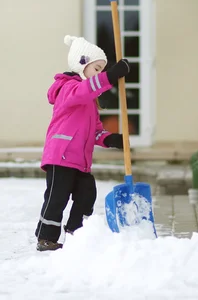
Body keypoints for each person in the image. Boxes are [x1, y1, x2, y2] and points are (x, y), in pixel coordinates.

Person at [34, 35, 130, 251]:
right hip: (61, 155)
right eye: (96, 69)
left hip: (80, 160)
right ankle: (46, 237)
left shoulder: (89, 102)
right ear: (81, 65)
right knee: (57, 197)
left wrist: (111, 139)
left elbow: (95, 131)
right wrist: (110, 76)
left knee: (87, 193)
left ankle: (75, 232)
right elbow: (83, 91)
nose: (100, 74)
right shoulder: (68, 88)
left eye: (102, 70)